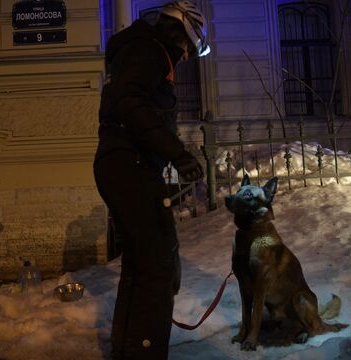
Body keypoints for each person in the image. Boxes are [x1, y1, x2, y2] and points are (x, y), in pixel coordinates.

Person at [93, 1, 210, 358]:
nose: (186, 57)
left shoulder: (137, 50)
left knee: (141, 267)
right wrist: (177, 152)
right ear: (178, 31)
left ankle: (129, 351)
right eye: (188, 48)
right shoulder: (149, 51)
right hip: (131, 165)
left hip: (124, 164)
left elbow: (132, 103)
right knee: (157, 268)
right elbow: (132, 103)